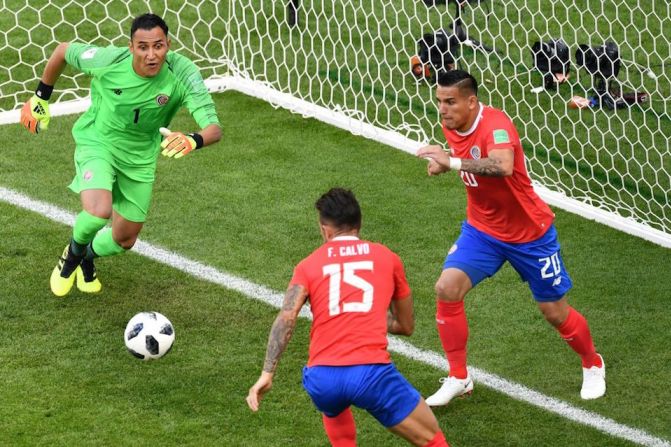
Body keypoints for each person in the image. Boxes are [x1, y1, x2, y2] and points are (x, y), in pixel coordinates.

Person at [416, 70, 605, 405]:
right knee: (446, 288)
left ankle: (592, 363)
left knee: (554, 312)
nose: (442, 109)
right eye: (439, 102)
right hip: (483, 230)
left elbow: (503, 166)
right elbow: (465, 160)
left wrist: (453, 161)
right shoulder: (452, 124)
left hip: (530, 234)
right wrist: (444, 164)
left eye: (450, 102)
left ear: (471, 101)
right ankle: (459, 376)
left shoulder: (496, 125)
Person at [20, 13, 221, 297]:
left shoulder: (182, 73)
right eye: (143, 47)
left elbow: (214, 129)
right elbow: (63, 51)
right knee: (98, 211)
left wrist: (193, 139)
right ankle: (72, 256)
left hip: (140, 156)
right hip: (98, 141)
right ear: (131, 47)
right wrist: (41, 97)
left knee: (125, 239)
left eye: (159, 46)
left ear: (168, 44)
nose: (152, 55)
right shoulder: (109, 61)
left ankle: (87, 257)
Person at [247, 188, 449, 447]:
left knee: (335, 410)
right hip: (370, 373)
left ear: (325, 230)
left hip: (322, 379)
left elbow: (286, 318)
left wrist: (267, 373)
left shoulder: (307, 265)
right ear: (359, 223)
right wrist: (371, 315)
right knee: (433, 439)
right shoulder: (387, 258)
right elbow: (406, 325)